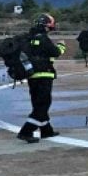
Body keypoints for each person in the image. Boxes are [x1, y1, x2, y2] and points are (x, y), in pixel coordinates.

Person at [16, 14, 66, 143]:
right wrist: (62, 46)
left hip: (32, 76)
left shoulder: (29, 38)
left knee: (38, 104)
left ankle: (46, 130)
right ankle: (26, 131)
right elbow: (55, 52)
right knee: (43, 105)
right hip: (44, 75)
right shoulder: (43, 39)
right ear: (46, 26)